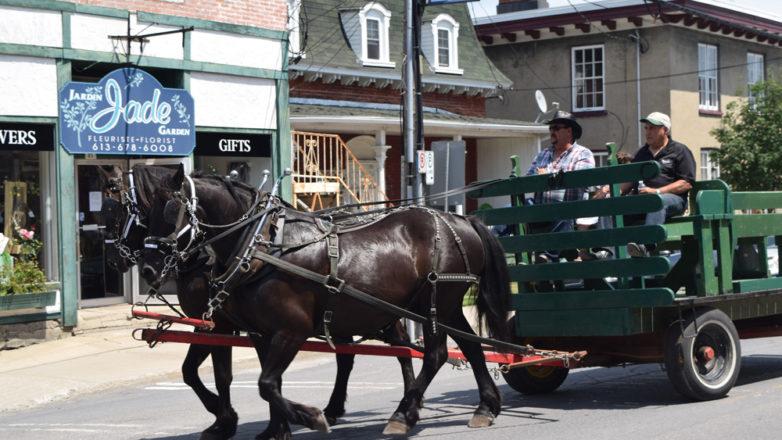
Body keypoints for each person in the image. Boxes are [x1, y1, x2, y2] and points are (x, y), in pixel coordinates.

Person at [620, 112, 696, 256]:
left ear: (665, 130)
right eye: (646, 128)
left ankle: (646, 246)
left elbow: (686, 183)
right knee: (614, 207)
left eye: (653, 128)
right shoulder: (641, 153)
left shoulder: (680, 150)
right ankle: (607, 251)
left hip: (672, 199)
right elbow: (630, 181)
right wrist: (612, 192)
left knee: (657, 201)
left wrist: (657, 192)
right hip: (642, 201)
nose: (648, 132)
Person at [526, 111, 595, 262]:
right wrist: (539, 178)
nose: (552, 131)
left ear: (569, 131)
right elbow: (528, 179)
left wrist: (547, 175)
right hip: (541, 212)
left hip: (568, 212)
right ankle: (491, 243)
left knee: (562, 210)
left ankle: (547, 256)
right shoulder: (542, 154)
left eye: (556, 128)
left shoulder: (583, 154)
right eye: (550, 128)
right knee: (514, 208)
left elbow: (580, 179)